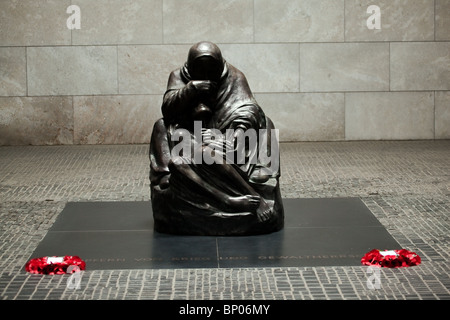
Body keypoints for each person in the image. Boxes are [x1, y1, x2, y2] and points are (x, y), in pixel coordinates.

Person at [149, 41, 283, 235]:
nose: (205, 73)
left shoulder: (234, 76)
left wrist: (233, 134)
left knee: (266, 124)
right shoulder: (178, 76)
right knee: (163, 131)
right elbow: (168, 109)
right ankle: (167, 178)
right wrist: (191, 89)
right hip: (189, 132)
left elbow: (249, 108)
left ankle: (257, 180)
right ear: (190, 66)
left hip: (225, 134)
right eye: (199, 69)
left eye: (210, 69)